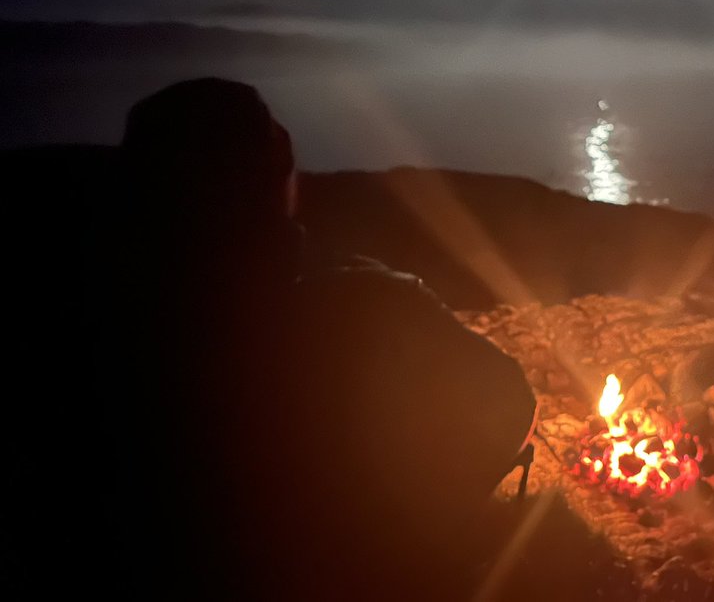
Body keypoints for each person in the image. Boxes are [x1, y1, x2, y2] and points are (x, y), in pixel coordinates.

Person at [110, 78, 536, 599]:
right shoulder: (368, 301)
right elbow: (509, 399)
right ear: (280, 174)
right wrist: (420, 522)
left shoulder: (91, 324)